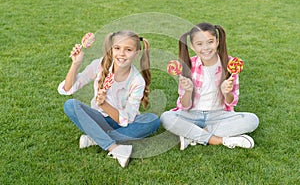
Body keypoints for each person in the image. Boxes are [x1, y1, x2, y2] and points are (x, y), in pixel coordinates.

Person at [58, 30, 160, 168]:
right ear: (111, 49)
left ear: (136, 53)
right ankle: (115, 148)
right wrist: (76, 64)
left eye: (128, 50)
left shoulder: (137, 81)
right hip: (99, 119)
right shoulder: (100, 65)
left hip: (122, 124)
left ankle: (95, 138)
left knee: (152, 120)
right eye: (117, 48)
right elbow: (68, 89)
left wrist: (105, 104)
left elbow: (127, 119)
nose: (122, 54)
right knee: (71, 105)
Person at [160, 22, 259, 150]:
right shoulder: (187, 66)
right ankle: (217, 140)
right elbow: (184, 105)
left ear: (217, 42)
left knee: (252, 120)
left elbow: (231, 102)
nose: (206, 48)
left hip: (218, 115)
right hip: (191, 114)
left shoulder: (230, 65)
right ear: (192, 46)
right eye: (199, 44)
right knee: (166, 118)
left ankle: (193, 135)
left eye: (210, 42)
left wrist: (226, 92)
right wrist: (188, 91)